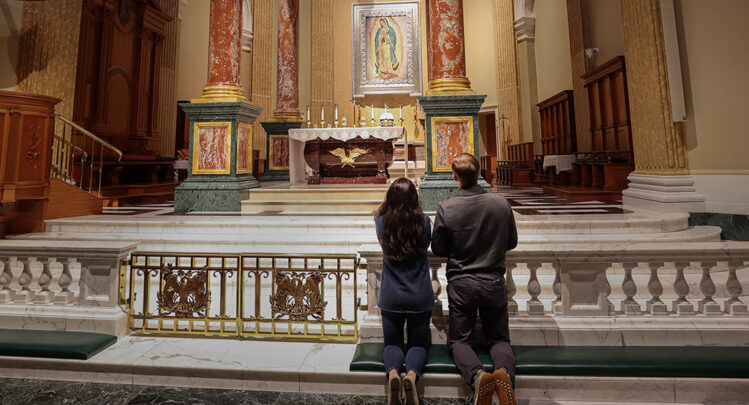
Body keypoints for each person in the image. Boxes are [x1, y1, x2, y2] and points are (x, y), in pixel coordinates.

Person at [431, 153, 518, 405]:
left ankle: (478, 377)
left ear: (454, 177)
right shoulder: (501, 203)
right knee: (499, 339)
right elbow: (511, 241)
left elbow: (438, 249)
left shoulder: (447, 207)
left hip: (461, 283)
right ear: (480, 173)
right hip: (492, 280)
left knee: (460, 340)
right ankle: (504, 374)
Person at [375, 178, 433, 405]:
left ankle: (392, 375)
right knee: (418, 344)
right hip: (419, 294)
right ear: (414, 198)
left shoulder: (381, 222)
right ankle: (411, 376)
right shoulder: (424, 222)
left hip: (391, 295)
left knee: (392, 344)